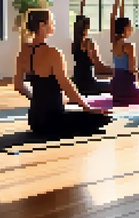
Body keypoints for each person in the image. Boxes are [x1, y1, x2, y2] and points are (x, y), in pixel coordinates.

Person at [13, 9, 112, 137]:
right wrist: (87, 108)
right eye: (51, 22)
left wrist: (37, 99)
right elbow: (66, 85)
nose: (53, 25)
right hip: (53, 119)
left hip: (34, 120)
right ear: (42, 26)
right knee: (103, 119)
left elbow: (19, 86)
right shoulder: (53, 53)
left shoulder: (23, 53)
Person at [71, 15, 114, 96]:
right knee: (115, 85)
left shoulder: (74, 44)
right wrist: (116, 71)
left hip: (76, 83)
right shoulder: (89, 43)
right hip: (89, 84)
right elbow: (99, 66)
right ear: (84, 30)